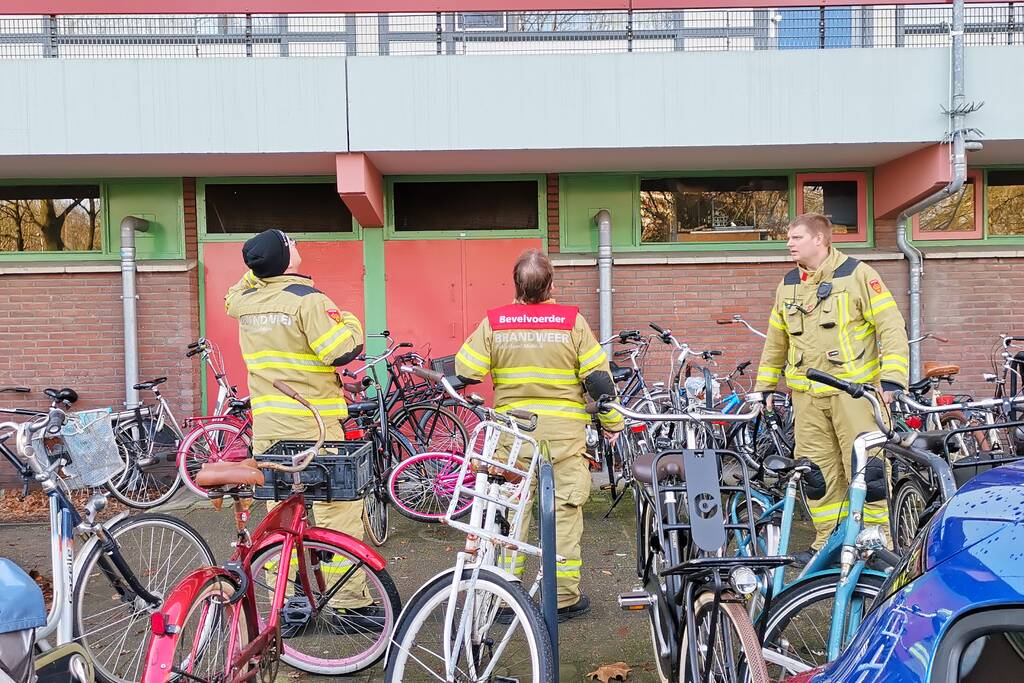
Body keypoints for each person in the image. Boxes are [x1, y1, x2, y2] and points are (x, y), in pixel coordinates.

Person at [454, 249, 624, 622]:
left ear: (516, 285)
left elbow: (466, 367)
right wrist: (613, 426)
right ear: (551, 285)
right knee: (563, 513)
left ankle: (504, 596)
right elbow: (598, 381)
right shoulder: (571, 321)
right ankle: (561, 597)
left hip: (512, 437)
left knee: (508, 513)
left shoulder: (496, 322)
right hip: (563, 438)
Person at [224, 229, 376, 626]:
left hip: (271, 429)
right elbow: (339, 349)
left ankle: (284, 607)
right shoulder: (308, 302)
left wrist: (257, 268)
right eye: (292, 244)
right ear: (285, 257)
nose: (299, 247)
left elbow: (233, 293)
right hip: (314, 427)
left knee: (282, 515)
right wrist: (350, 320)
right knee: (336, 511)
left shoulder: (246, 302)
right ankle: (351, 606)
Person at [754, 214, 909, 553]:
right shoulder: (788, 284)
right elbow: (776, 340)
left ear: (820, 240)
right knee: (816, 472)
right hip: (807, 399)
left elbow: (892, 328)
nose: (789, 244)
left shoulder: (859, 275)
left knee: (867, 471)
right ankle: (829, 541)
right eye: (789, 238)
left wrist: (894, 380)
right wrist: (766, 385)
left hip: (854, 396)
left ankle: (876, 541)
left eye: (796, 237)